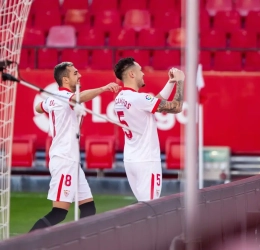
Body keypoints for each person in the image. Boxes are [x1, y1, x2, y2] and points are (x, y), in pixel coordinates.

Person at [29, 62, 120, 232]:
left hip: (71, 161)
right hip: (64, 160)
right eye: (75, 73)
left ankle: (82, 243)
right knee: (59, 213)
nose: (80, 76)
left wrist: (51, 105)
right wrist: (104, 88)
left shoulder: (54, 98)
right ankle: (25, 244)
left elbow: (38, 107)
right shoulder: (64, 95)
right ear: (65, 79)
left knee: (88, 209)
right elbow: (80, 98)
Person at [113, 57, 184, 202]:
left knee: (143, 206)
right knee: (151, 209)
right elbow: (176, 107)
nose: (143, 74)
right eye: (140, 70)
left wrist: (170, 83)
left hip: (131, 159)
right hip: (146, 161)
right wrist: (180, 81)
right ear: (132, 74)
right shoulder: (138, 98)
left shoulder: (120, 97)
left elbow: (152, 104)